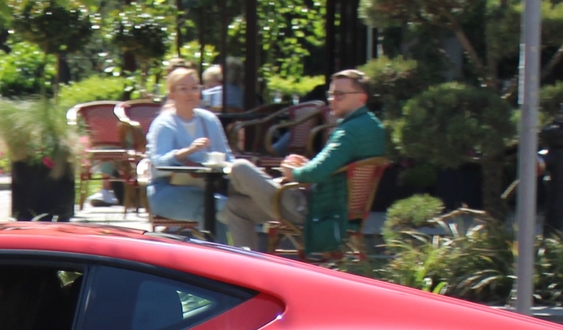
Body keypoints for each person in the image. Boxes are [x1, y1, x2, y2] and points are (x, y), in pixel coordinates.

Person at [217, 71, 388, 251]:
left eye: (340, 95)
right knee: (235, 207)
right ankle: (247, 266)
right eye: (331, 94)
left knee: (240, 168)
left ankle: (218, 188)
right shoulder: (371, 125)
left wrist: (293, 173)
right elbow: (333, 167)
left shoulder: (349, 131)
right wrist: (306, 163)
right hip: (330, 206)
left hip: (313, 209)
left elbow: (316, 173)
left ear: (361, 98)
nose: (332, 99)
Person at [140, 64, 232, 229]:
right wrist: (188, 151)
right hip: (166, 190)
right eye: (183, 89)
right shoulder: (164, 124)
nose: (190, 93)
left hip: (208, 188)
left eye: (194, 88)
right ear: (172, 93)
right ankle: (213, 252)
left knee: (236, 206)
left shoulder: (209, 120)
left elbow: (227, 157)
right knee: (216, 208)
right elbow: (159, 165)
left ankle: (233, 251)